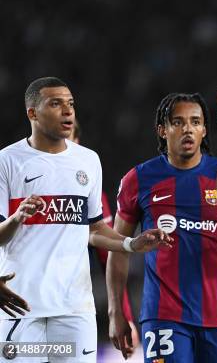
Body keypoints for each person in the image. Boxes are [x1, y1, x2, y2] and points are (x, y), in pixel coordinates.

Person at [0, 77, 171, 362]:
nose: (67, 111)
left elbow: (95, 229)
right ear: (32, 113)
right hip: (21, 308)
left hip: (74, 310)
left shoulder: (88, 161)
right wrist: (17, 218)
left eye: (70, 104)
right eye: (55, 104)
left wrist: (131, 243)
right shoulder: (8, 161)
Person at [106, 92, 217, 363]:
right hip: (163, 314)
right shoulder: (138, 179)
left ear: (204, 129)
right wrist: (116, 311)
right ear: (162, 130)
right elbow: (117, 247)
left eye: (195, 122)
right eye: (178, 122)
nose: (188, 129)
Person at [68, 119, 140, 356]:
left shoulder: (91, 197)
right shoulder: (20, 185)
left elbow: (108, 255)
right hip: (21, 308)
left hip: (71, 312)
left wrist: (122, 315)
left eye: (69, 140)